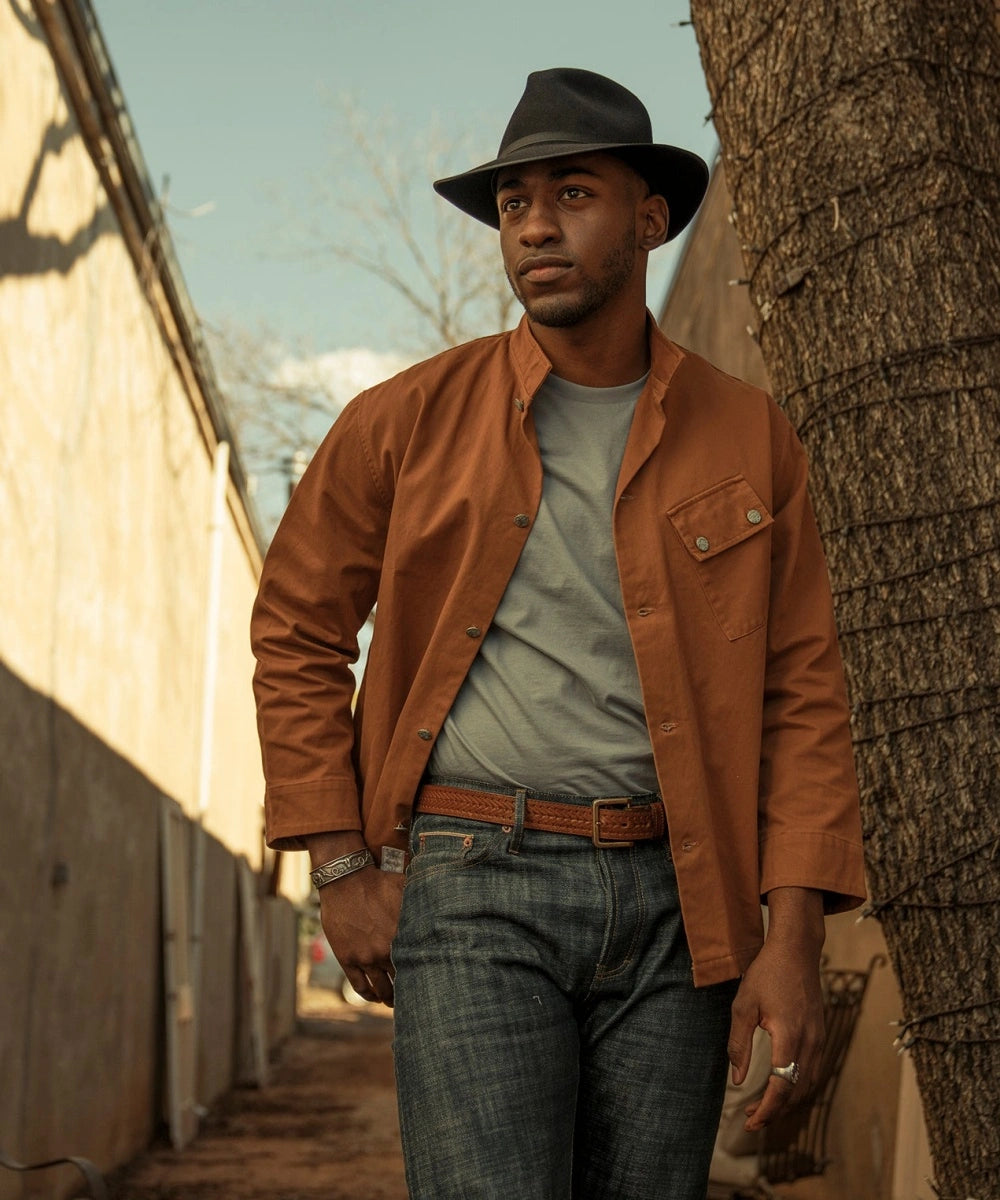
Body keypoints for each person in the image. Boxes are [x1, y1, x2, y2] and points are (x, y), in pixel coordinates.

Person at [251, 67, 866, 1200]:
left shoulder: (750, 437)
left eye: (570, 194)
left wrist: (790, 940)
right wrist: (338, 863)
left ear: (648, 217)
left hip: (684, 908)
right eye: (513, 203)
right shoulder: (404, 421)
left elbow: (800, 696)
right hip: (474, 881)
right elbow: (295, 629)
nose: (533, 225)